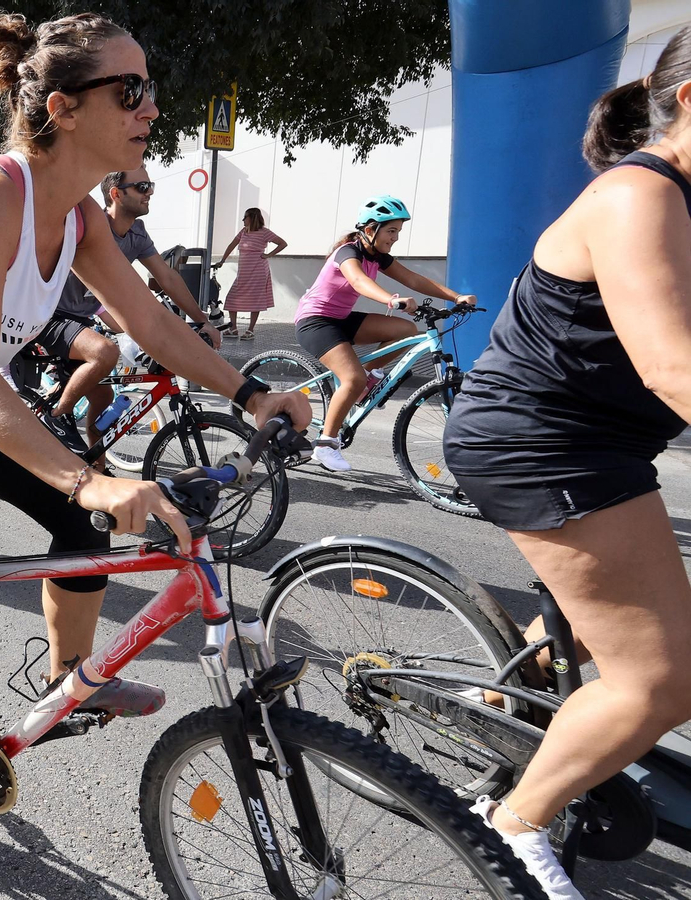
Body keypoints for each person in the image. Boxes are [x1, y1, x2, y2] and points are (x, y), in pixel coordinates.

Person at [0, 10, 309, 827]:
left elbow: (148, 325)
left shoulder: (79, 213)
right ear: (64, 109)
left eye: (149, 88)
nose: (152, 108)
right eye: (131, 90)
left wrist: (252, 395)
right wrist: (90, 478)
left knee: (84, 532)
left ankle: (70, 674)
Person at [440, 31, 691, 900]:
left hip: (603, 442)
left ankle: (528, 703)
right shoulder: (638, 198)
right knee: (665, 680)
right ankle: (513, 823)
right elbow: (670, 365)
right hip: (539, 443)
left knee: (616, 623)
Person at [30, 166, 222, 454]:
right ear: (116, 193)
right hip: (47, 315)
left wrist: (202, 320)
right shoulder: (91, 227)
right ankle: (56, 415)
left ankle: (96, 462)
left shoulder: (137, 232)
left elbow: (167, 278)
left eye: (151, 185)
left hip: (80, 318)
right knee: (104, 352)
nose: (151, 192)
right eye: (143, 187)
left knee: (104, 396)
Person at [292, 196, 475, 472]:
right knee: (351, 378)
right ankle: (326, 444)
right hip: (315, 322)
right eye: (391, 231)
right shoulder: (347, 253)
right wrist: (392, 299)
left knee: (405, 330)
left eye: (398, 232)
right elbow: (358, 280)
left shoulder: (378, 257)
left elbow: (414, 279)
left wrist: (456, 297)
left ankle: (369, 378)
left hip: (341, 319)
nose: (396, 237)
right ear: (369, 230)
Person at [214, 207, 284, 339]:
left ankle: (250, 330)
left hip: (258, 270)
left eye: (245, 217)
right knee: (231, 298)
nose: (243, 220)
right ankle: (233, 328)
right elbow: (232, 245)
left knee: (255, 299)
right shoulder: (244, 232)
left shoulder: (264, 232)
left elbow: (282, 243)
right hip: (243, 272)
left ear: (252, 218)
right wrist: (222, 260)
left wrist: (268, 255)